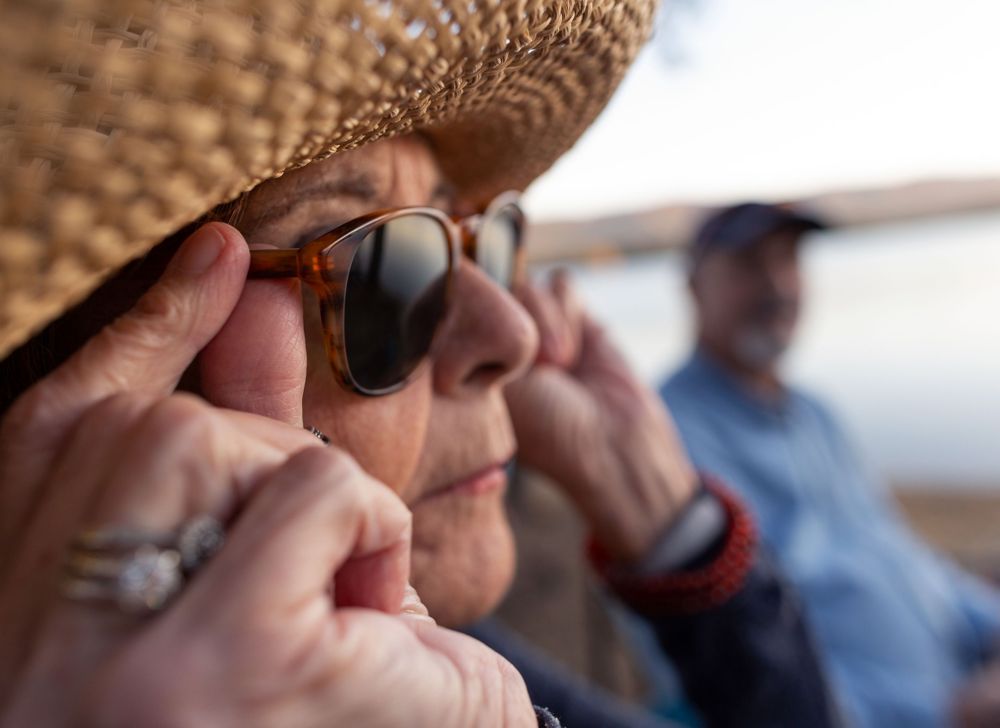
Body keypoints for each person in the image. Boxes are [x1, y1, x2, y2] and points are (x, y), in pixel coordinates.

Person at [0, 3, 840, 725]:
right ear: (77, 378)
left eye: (483, 238)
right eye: (384, 269)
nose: (512, 332)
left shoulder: (413, 639)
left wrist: (670, 527)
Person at [660, 201, 1000, 727]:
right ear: (693, 285)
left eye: (788, 261)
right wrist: (944, 714)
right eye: (749, 264)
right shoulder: (670, 434)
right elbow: (731, 651)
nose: (776, 285)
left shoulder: (816, 416)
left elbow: (902, 557)